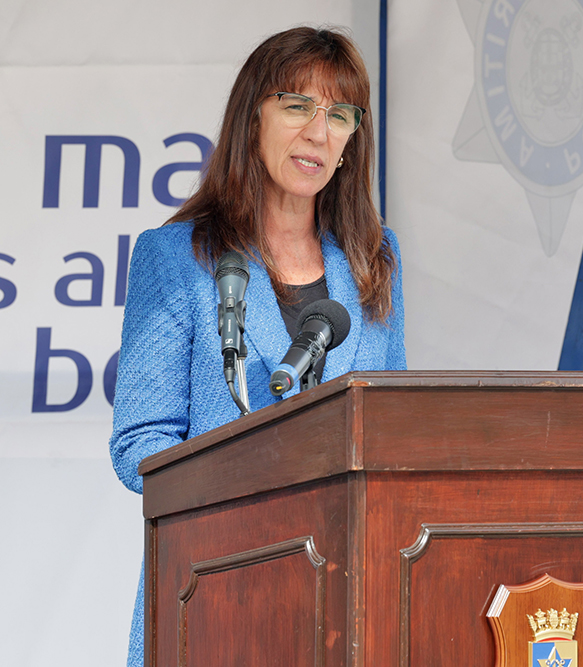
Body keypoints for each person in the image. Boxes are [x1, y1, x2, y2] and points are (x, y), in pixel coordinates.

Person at [109, 26, 405, 667]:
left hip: (350, 602)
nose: (319, 133)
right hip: (215, 591)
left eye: (339, 114)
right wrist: (256, 485)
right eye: (297, 106)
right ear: (253, 117)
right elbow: (140, 446)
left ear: (354, 139)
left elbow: (395, 428)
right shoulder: (178, 257)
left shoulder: (374, 261)